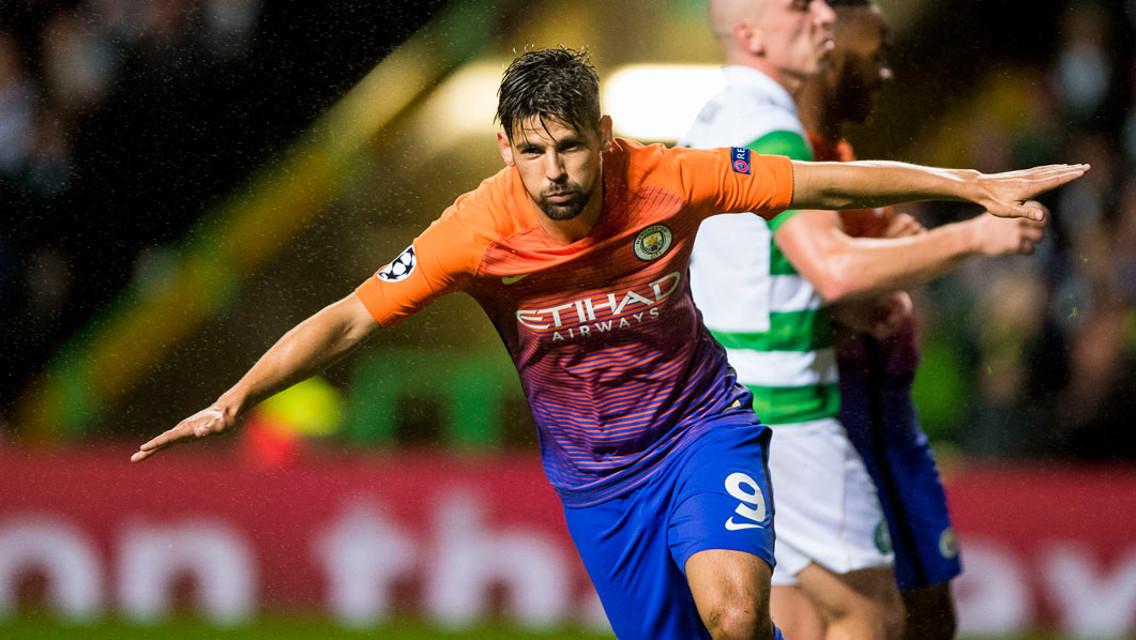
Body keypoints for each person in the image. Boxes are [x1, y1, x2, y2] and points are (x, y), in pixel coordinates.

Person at [132, 47, 1084, 640]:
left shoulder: (668, 178)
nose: (557, 172)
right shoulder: (473, 231)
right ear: (506, 148)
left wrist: (965, 183)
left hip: (705, 430)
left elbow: (816, 188)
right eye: (535, 151)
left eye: (573, 147)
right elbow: (348, 315)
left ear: (605, 133)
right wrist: (236, 398)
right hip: (598, 480)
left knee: (737, 612)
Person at [682, 2, 1054, 639]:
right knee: (876, 615)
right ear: (751, 34)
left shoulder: (713, 118)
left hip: (733, 407)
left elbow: (755, 279)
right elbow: (832, 267)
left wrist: (859, 293)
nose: (821, 15)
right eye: (801, 7)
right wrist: (975, 239)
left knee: (792, 619)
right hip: (792, 410)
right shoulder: (768, 125)